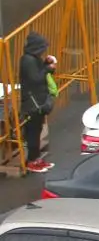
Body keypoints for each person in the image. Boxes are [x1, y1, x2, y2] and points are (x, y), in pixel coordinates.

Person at [17, 31, 55, 174]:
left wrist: (46, 66)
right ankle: (32, 161)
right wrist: (46, 68)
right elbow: (36, 78)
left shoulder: (34, 59)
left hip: (38, 101)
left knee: (36, 131)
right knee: (32, 133)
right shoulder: (27, 60)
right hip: (32, 104)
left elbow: (40, 75)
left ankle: (36, 159)